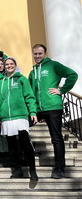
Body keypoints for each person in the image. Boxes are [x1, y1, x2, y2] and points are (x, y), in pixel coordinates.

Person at [29, 44, 78, 179]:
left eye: (40, 53)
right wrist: (31, 109)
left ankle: (59, 168)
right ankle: (25, 158)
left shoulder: (53, 65)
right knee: (21, 128)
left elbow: (72, 75)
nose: (37, 56)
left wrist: (61, 90)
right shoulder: (32, 72)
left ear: (45, 53)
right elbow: (30, 92)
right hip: (37, 109)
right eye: (35, 54)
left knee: (56, 138)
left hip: (53, 107)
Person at [0, 58, 38, 181]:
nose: (9, 66)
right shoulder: (0, 82)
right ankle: (17, 170)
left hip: (20, 116)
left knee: (25, 143)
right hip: (6, 118)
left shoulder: (22, 79)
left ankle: (32, 170)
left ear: (15, 65)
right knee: (12, 145)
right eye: (6, 64)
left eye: (11, 64)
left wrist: (32, 111)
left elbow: (29, 96)